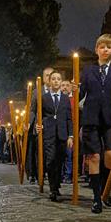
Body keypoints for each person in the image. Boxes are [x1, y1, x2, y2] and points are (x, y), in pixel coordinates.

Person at [75, 34, 111, 213]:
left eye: (109, 47)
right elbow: (81, 93)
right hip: (91, 117)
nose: (105, 50)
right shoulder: (88, 70)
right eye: (102, 47)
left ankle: (105, 189)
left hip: (110, 117)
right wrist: (75, 92)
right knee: (94, 157)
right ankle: (96, 198)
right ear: (96, 49)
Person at [33, 70, 73, 201]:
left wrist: (70, 136)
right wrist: (38, 125)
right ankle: (53, 189)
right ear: (49, 81)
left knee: (60, 161)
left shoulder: (66, 99)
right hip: (48, 133)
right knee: (50, 160)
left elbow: (69, 118)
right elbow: (39, 114)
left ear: (61, 82)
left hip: (62, 134)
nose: (56, 81)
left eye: (58, 79)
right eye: (53, 79)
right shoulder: (44, 98)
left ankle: (56, 185)